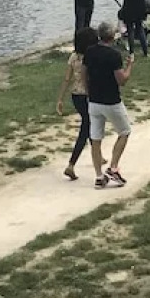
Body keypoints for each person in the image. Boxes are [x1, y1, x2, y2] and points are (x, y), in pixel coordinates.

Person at [83, 22, 135, 188]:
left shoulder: (89, 51)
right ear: (112, 36)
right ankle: (113, 167)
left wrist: (88, 91)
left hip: (94, 101)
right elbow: (122, 80)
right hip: (111, 101)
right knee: (124, 131)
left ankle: (99, 176)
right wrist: (130, 66)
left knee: (96, 139)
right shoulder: (114, 55)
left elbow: (84, 73)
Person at [56, 26, 98, 181]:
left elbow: (67, 78)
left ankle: (98, 155)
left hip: (76, 96)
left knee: (89, 123)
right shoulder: (91, 57)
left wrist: (60, 98)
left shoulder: (73, 57)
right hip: (88, 95)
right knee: (86, 127)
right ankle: (71, 164)